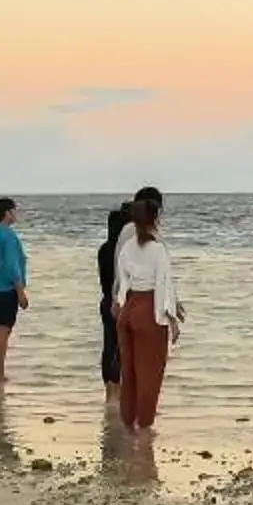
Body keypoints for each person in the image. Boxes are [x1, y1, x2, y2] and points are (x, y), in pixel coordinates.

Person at [110, 187, 180, 436]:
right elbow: (163, 285)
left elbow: (122, 281)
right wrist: (170, 318)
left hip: (128, 307)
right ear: (154, 219)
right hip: (149, 308)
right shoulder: (157, 249)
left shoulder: (128, 246)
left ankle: (128, 422)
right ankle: (145, 426)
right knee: (150, 371)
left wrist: (119, 304)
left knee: (129, 371)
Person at [0, 197, 29, 385]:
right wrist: (20, 292)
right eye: (14, 210)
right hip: (5, 288)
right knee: (2, 333)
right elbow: (11, 266)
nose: (16, 214)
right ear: (7, 213)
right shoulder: (8, 235)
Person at [94, 204, 127, 412]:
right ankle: (119, 390)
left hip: (105, 300)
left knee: (109, 345)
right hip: (120, 302)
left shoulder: (104, 249)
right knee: (122, 348)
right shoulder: (124, 251)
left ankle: (109, 391)